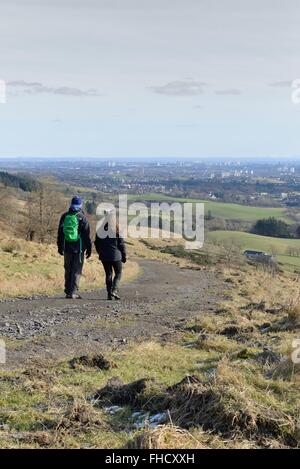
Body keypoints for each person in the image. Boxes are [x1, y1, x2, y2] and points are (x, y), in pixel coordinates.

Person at [57, 196, 92, 299]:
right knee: (76, 270)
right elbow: (86, 235)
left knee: (68, 269)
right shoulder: (82, 217)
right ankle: (73, 292)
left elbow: (60, 233)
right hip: (79, 248)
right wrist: (89, 249)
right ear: (80, 205)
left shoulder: (64, 216)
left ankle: (68, 290)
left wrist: (60, 246)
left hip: (67, 247)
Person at [95, 212, 126, 300]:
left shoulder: (100, 230)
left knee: (108, 274)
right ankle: (114, 290)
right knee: (118, 273)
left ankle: (109, 294)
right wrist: (124, 256)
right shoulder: (117, 230)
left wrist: (100, 253)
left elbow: (97, 243)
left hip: (104, 256)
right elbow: (121, 245)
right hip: (116, 256)